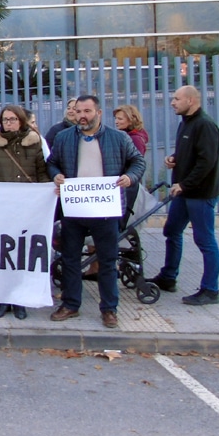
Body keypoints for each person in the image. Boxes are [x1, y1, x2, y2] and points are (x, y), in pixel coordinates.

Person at [47, 95, 146, 328]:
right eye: (79, 111)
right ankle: (71, 304)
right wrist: (55, 175)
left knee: (108, 261)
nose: (82, 115)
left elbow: (138, 162)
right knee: (70, 259)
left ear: (98, 113)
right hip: (74, 209)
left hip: (106, 209)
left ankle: (109, 309)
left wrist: (129, 178)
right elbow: (51, 162)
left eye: (88, 111)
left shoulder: (118, 138)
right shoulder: (63, 138)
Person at [149, 86, 219, 306]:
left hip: (200, 193)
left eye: (176, 99)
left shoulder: (205, 125)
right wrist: (174, 158)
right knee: (171, 230)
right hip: (183, 190)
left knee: (205, 240)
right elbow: (190, 153)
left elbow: (206, 162)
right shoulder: (187, 123)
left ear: (191, 101)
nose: (173, 102)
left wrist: (184, 184)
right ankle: (168, 276)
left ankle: (211, 290)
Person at [0, 105, 49, 319]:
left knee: (23, 254)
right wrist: (1, 193)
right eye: (5, 120)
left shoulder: (34, 143)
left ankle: (20, 300)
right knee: (2, 254)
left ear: (21, 121)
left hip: (27, 208)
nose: (8, 123)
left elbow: (42, 173)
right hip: (2, 208)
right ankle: (2, 299)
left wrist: (43, 196)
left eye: (12, 119)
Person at [113, 104, 149, 222]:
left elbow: (137, 162)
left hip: (128, 184)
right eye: (116, 118)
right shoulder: (126, 136)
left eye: (120, 119)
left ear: (130, 120)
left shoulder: (135, 139)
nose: (116, 122)